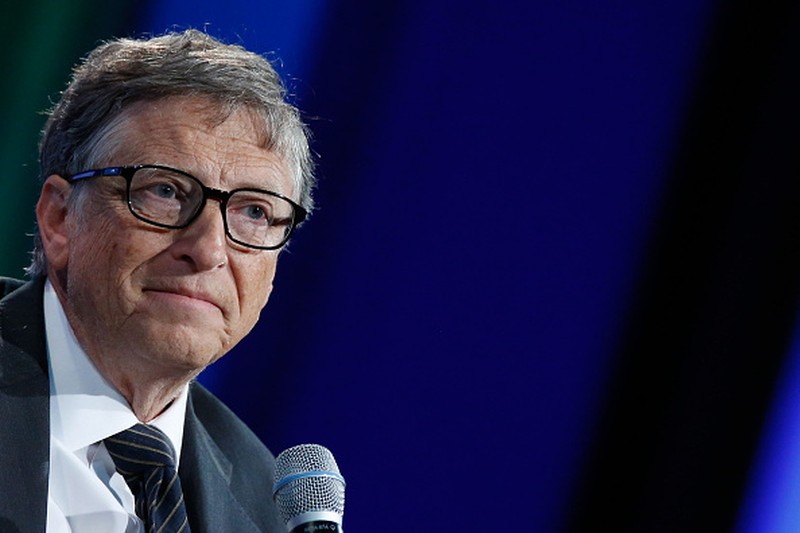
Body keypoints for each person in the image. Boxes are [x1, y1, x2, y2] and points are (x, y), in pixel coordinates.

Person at [0, 29, 314, 532]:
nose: (209, 249)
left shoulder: (266, 505)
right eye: (165, 190)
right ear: (60, 218)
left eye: (255, 211)